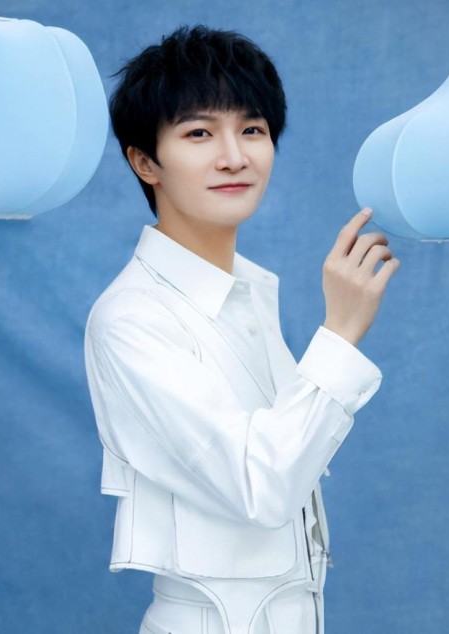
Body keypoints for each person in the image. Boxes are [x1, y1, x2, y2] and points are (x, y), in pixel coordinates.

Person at [84, 25, 399, 634]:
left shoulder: (249, 292)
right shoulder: (132, 319)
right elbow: (264, 486)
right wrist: (339, 334)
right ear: (144, 161)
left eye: (252, 129)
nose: (234, 156)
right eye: (199, 133)